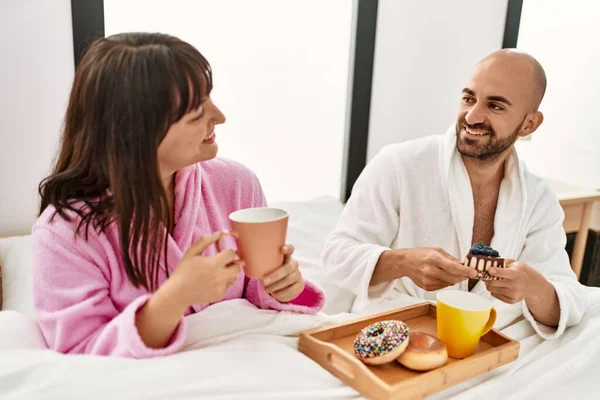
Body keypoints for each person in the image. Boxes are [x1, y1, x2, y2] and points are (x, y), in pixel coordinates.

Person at [33, 32, 324, 358]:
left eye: (209, 99)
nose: (220, 117)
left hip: (244, 365)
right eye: (197, 112)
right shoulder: (65, 231)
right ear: (136, 131)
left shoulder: (236, 183)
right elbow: (80, 351)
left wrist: (286, 287)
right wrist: (175, 297)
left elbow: (258, 291)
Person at [322, 49, 587, 339]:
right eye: (469, 98)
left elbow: (569, 301)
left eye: (495, 106)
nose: (472, 117)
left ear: (529, 124)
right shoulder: (399, 164)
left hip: (492, 340)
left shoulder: (538, 199)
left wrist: (534, 288)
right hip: (401, 329)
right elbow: (337, 255)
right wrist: (403, 263)